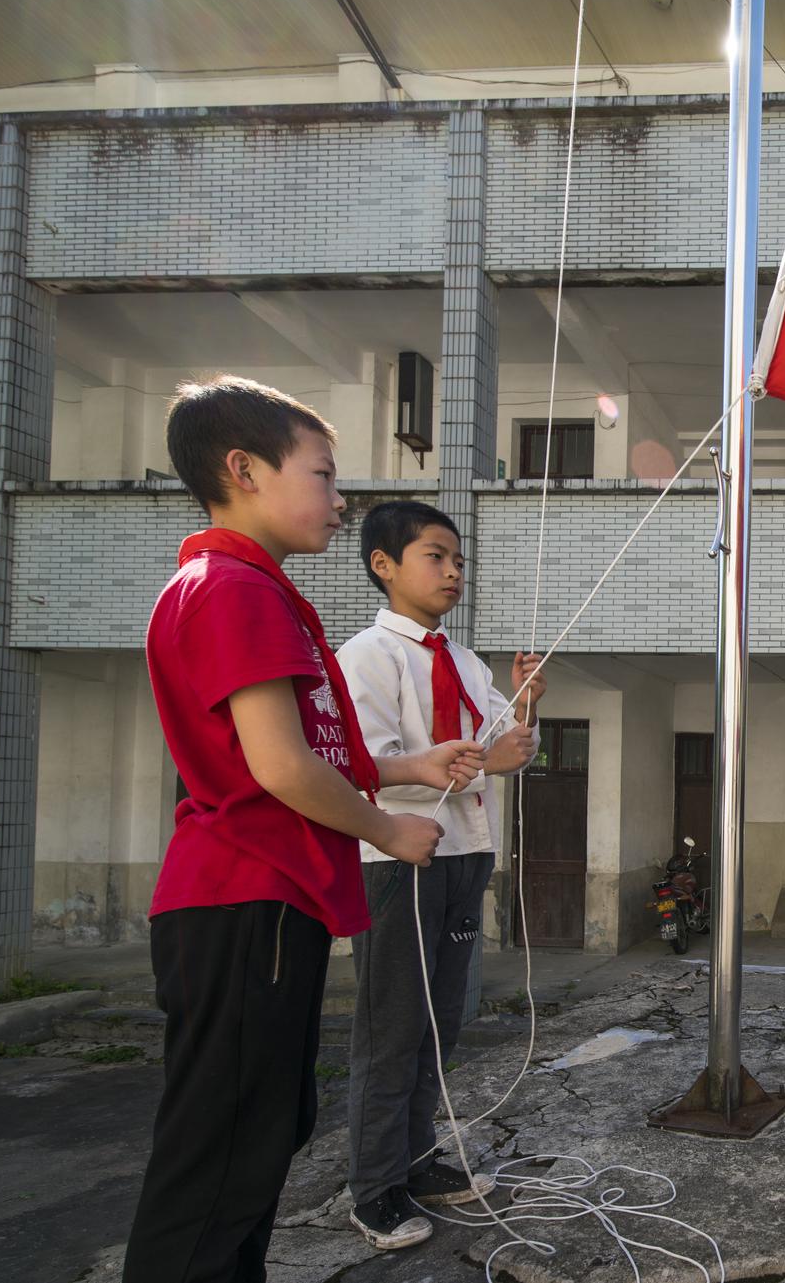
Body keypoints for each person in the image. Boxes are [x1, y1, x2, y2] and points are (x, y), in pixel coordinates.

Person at [125, 378, 452, 1283]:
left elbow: (294, 750)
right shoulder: (232, 589)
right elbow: (277, 767)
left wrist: (408, 769)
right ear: (243, 469)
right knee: (223, 1150)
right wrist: (388, 828)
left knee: (261, 1132)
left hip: (265, 900)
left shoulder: (244, 586)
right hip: (245, 900)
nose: (340, 499)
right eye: (322, 473)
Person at [338, 502, 547, 1248]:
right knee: (392, 1023)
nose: (454, 571)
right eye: (435, 556)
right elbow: (364, 771)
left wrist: (523, 706)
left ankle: (418, 1160)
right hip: (398, 858)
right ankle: (374, 1186)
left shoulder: (464, 661)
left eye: (459, 560)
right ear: (384, 564)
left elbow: (506, 746)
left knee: (441, 1019)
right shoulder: (368, 656)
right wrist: (477, 762)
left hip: (464, 852)